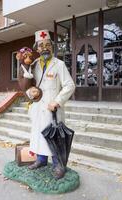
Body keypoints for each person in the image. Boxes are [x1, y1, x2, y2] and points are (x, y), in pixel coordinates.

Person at [26, 30, 75, 179]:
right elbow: (28, 86)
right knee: (39, 135)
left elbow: (70, 85)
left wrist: (57, 101)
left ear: (52, 47)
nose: (45, 48)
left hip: (53, 109)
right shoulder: (33, 65)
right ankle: (41, 160)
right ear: (37, 48)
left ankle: (58, 164)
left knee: (55, 138)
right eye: (41, 45)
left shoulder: (59, 64)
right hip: (38, 108)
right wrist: (30, 95)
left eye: (48, 45)